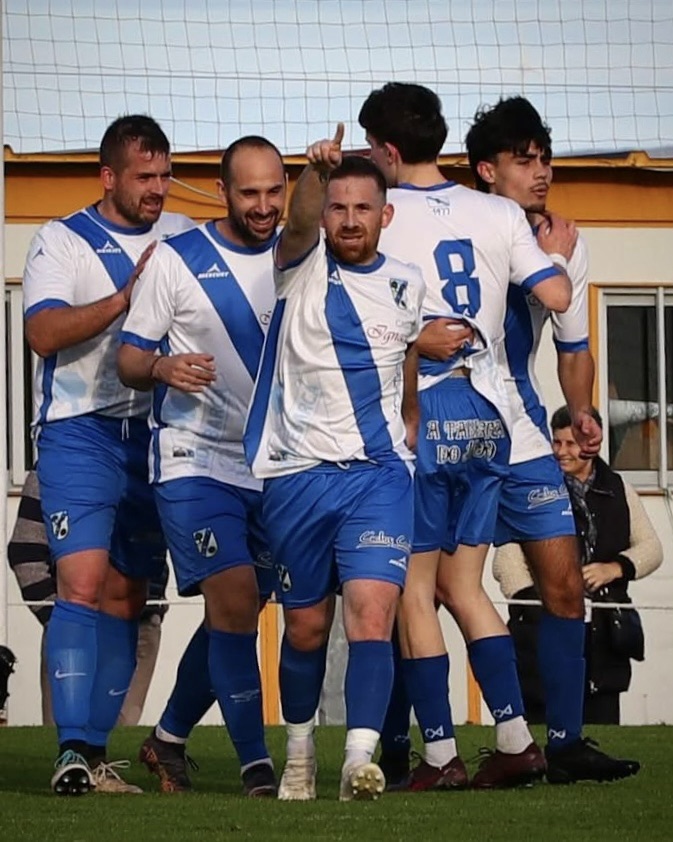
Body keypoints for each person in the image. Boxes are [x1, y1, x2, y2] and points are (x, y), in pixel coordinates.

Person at [358, 82, 574, 791]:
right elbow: (555, 295)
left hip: (425, 408)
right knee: (465, 584)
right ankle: (516, 740)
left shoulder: (382, 214)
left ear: (389, 150)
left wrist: (414, 337)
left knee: (414, 591)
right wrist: (550, 257)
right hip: (489, 415)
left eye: (371, 146)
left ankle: (441, 756)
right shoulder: (498, 212)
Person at [244, 130, 425, 802]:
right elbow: (294, 222)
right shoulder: (298, 263)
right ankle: (299, 755)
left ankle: (357, 762)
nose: (349, 219)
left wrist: (408, 424)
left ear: (385, 214)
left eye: (362, 208)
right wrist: (312, 174)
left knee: (372, 614)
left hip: (378, 477)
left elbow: (405, 364)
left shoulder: (409, 283)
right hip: (297, 475)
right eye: (338, 207)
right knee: (305, 626)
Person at [466, 95, 640, 782]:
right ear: (486, 170)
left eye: (545, 159)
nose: (540, 172)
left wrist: (582, 408)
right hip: (450, 432)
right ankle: (414, 748)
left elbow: (572, 345)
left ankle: (564, 743)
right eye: (523, 160)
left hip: (522, 432)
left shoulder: (566, 239)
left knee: (563, 585)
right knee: (430, 589)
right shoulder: (461, 226)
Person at [22, 115, 192, 796]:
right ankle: (68, 750)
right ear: (108, 176)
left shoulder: (183, 236)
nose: (158, 189)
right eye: (144, 176)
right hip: (80, 431)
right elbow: (42, 332)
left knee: (130, 596)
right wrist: (127, 298)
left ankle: (93, 755)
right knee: (81, 585)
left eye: (165, 175)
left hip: (156, 434)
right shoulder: (61, 239)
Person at [118, 135, 286, 798]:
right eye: (250, 193)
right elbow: (130, 359)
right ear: (221, 192)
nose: (264, 205)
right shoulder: (177, 259)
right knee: (235, 599)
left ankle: (167, 741)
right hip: (193, 458)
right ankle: (257, 769)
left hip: (272, 463)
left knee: (232, 615)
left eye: (275, 191)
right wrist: (162, 366)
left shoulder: (298, 253)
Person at [494, 406, 663, 725]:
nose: (561, 452)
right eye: (556, 443)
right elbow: (507, 559)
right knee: (540, 718)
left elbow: (652, 548)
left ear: (591, 444)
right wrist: (541, 602)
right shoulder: (532, 489)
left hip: (604, 636)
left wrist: (614, 568)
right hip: (541, 626)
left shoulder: (619, 489)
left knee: (602, 726)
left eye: (570, 444)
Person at [7, 470, 169, 726]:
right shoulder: (53, 466)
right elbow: (25, 551)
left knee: (119, 736)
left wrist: (153, 609)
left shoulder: (150, 461)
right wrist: (58, 621)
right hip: (72, 630)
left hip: (138, 627)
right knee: (63, 734)